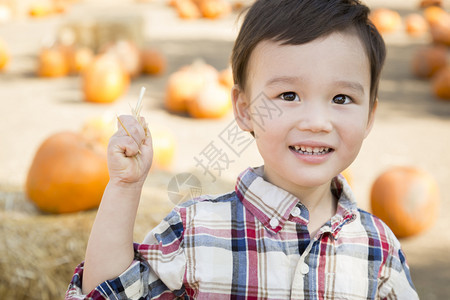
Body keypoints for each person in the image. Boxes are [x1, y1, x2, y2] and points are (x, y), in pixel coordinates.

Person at [66, 0, 419, 299]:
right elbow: (107, 292)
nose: (316, 121)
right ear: (244, 109)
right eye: (288, 96)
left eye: (342, 98)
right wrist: (124, 188)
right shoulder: (195, 231)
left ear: (370, 114)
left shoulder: (378, 249)